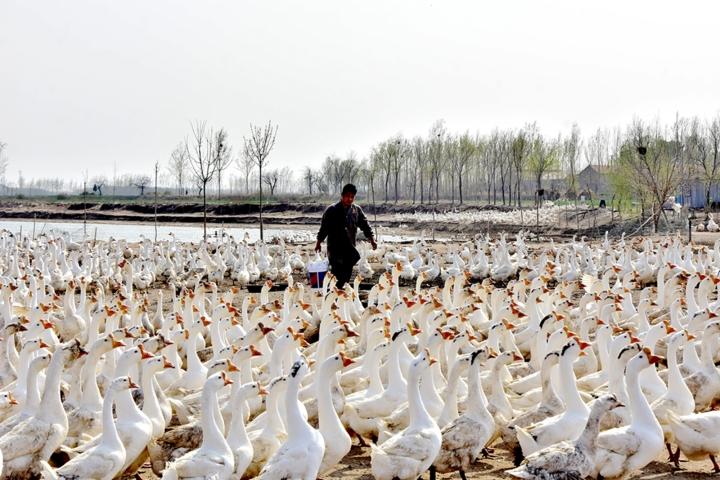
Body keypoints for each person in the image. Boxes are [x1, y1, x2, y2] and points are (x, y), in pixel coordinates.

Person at [315, 183, 377, 288]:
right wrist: (318, 243)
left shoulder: (356, 211)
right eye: (347, 196)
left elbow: (365, 225)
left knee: (347, 274)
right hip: (335, 249)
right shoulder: (332, 210)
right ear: (342, 196)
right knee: (337, 275)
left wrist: (372, 239)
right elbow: (324, 228)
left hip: (349, 249)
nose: (350, 199)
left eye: (352, 197)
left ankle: (340, 295)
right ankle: (335, 296)